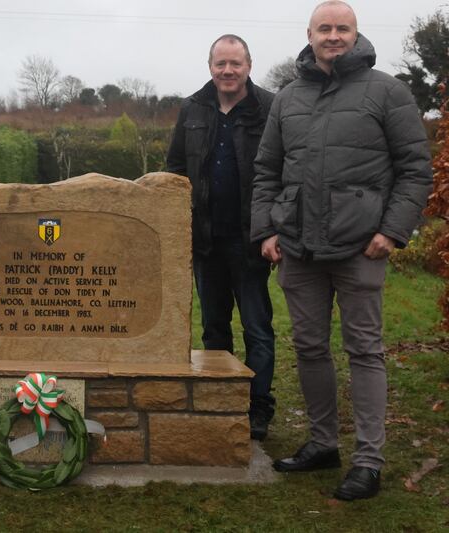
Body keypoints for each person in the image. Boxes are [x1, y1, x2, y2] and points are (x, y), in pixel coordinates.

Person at [251, 1, 432, 500]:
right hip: (299, 247)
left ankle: (369, 461)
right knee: (309, 348)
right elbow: (266, 171)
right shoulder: (288, 98)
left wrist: (393, 231)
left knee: (365, 351)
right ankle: (323, 443)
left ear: (356, 34)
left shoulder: (387, 92)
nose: (333, 36)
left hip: (361, 248)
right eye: (324, 28)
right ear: (309, 34)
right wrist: (266, 230)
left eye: (342, 28)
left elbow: (415, 169)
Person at [166, 34, 277, 440]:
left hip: (250, 240)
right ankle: (218, 402)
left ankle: (259, 406)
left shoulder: (269, 108)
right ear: (210, 66)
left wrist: (273, 227)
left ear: (248, 65)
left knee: (257, 327)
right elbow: (175, 169)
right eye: (220, 64)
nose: (228, 71)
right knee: (214, 328)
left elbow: (280, 171)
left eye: (235, 63)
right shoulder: (192, 108)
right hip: (205, 240)